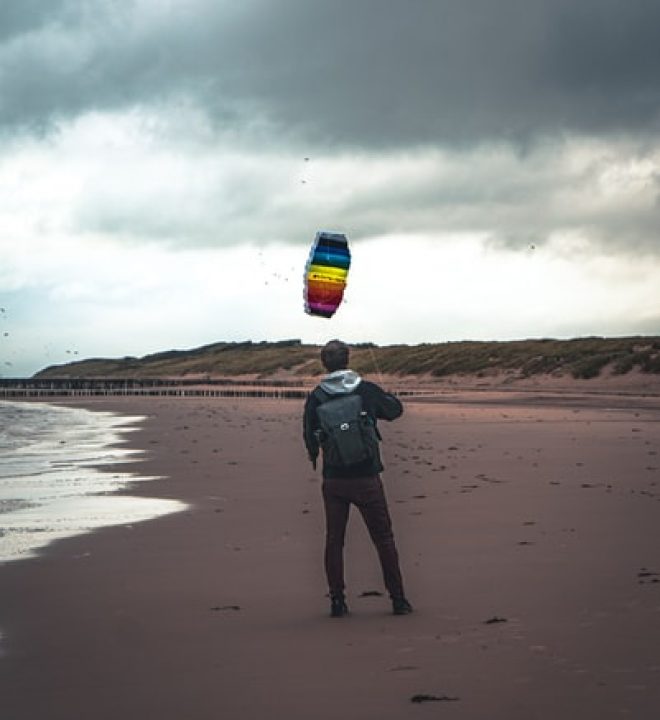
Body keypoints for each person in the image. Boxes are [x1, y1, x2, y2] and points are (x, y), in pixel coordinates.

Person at [303, 339, 413, 617]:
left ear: (324, 363)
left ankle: (337, 601)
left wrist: (319, 452)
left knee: (334, 541)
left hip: (334, 480)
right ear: (347, 359)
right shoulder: (365, 389)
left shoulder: (316, 396)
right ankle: (398, 599)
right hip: (367, 477)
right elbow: (395, 411)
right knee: (383, 539)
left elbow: (309, 437)